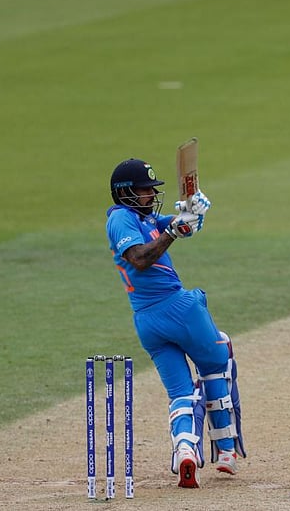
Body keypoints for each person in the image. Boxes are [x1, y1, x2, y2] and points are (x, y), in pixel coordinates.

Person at [106, 158, 247, 488]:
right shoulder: (122, 220)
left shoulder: (144, 218)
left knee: (182, 393)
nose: (149, 195)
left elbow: (179, 226)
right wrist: (173, 231)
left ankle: (185, 450)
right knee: (218, 362)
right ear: (125, 192)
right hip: (179, 309)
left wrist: (192, 213)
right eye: (144, 190)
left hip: (148, 322)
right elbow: (140, 258)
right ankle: (226, 451)